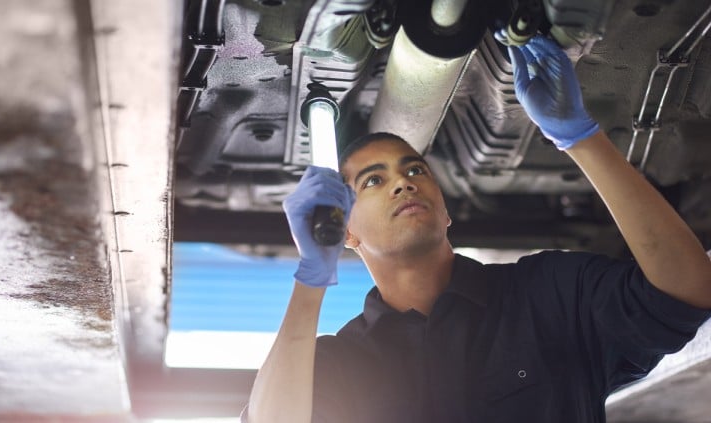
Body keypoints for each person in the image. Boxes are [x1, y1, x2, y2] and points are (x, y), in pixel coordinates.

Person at [244, 35, 711, 422]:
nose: (403, 184)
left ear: (446, 212)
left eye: (415, 170)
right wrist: (311, 276)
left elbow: (686, 292)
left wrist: (583, 139)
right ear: (347, 232)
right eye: (374, 180)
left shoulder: (549, 295)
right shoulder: (344, 364)